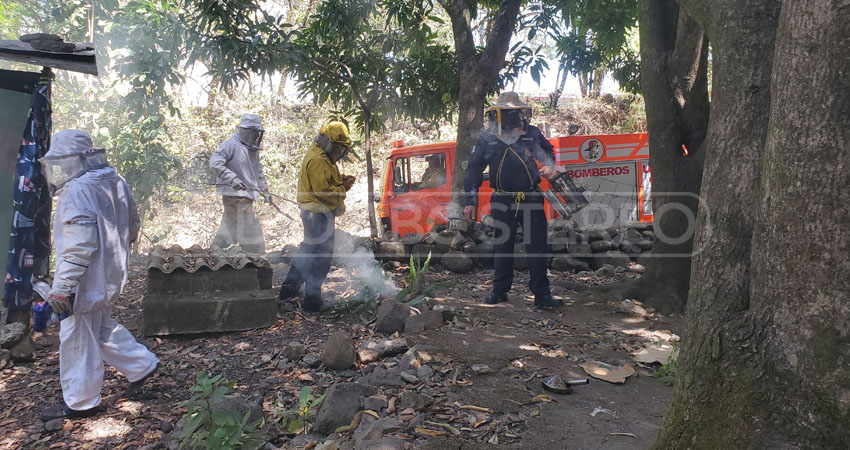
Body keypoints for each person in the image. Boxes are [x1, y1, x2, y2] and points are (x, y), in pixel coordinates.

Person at [38, 130, 158, 421]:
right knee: (101, 327)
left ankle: (81, 403)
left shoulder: (77, 190)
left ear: (78, 159)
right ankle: (142, 365)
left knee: (77, 336)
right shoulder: (115, 179)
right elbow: (133, 225)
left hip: (84, 280)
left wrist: (62, 288)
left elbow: (78, 246)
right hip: (110, 274)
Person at [462, 92, 564, 309]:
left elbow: (548, 152)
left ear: (520, 113)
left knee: (537, 246)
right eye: (506, 113)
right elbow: (473, 170)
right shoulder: (488, 138)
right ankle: (499, 291)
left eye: (514, 112)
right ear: (497, 114)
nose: (511, 116)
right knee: (503, 246)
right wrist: (470, 200)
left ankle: (542, 295)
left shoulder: (531, 133)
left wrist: (549, 165)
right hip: (502, 199)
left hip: (531, 197)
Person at [278, 122, 355, 312]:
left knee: (308, 252)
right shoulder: (319, 160)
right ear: (328, 142)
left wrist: (340, 181)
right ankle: (312, 301)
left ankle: (288, 290)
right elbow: (324, 192)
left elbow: (325, 181)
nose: (339, 152)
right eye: (337, 147)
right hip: (317, 215)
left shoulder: (321, 156)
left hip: (316, 214)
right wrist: (343, 188)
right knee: (321, 258)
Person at [209, 113, 271, 254]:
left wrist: (265, 191)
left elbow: (257, 172)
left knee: (230, 228)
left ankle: (216, 253)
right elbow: (215, 163)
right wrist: (232, 179)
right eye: (255, 132)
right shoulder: (230, 145)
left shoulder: (252, 150)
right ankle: (257, 259)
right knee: (250, 232)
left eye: (258, 133)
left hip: (246, 198)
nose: (257, 136)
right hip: (234, 197)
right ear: (247, 131)